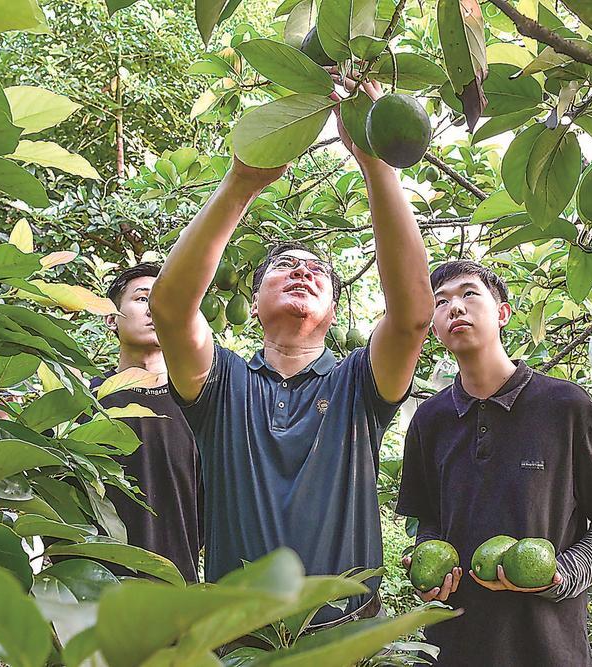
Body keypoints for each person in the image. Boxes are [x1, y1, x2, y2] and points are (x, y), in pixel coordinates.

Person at [149, 78, 434, 627]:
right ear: (254, 305)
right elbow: (170, 307)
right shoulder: (222, 383)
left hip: (345, 639)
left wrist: (376, 163)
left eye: (318, 270)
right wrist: (242, 182)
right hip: (239, 642)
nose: (302, 270)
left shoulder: (359, 384)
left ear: (334, 313)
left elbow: (413, 315)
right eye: (284, 266)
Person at [396, 261, 592, 666]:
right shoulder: (429, 420)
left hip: (550, 647)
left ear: (503, 313)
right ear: (434, 328)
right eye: (441, 302)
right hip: (455, 646)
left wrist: (561, 574)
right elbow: (430, 521)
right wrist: (430, 569)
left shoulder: (566, 406)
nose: (455, 307)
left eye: (469, 293)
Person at [92, 262, 204, 582]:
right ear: (111, 318)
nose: (155, 308)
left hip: (177, 595)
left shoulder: (201, 407)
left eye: (165, 300)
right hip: (91, 594)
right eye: (143, 298)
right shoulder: (82, 402)